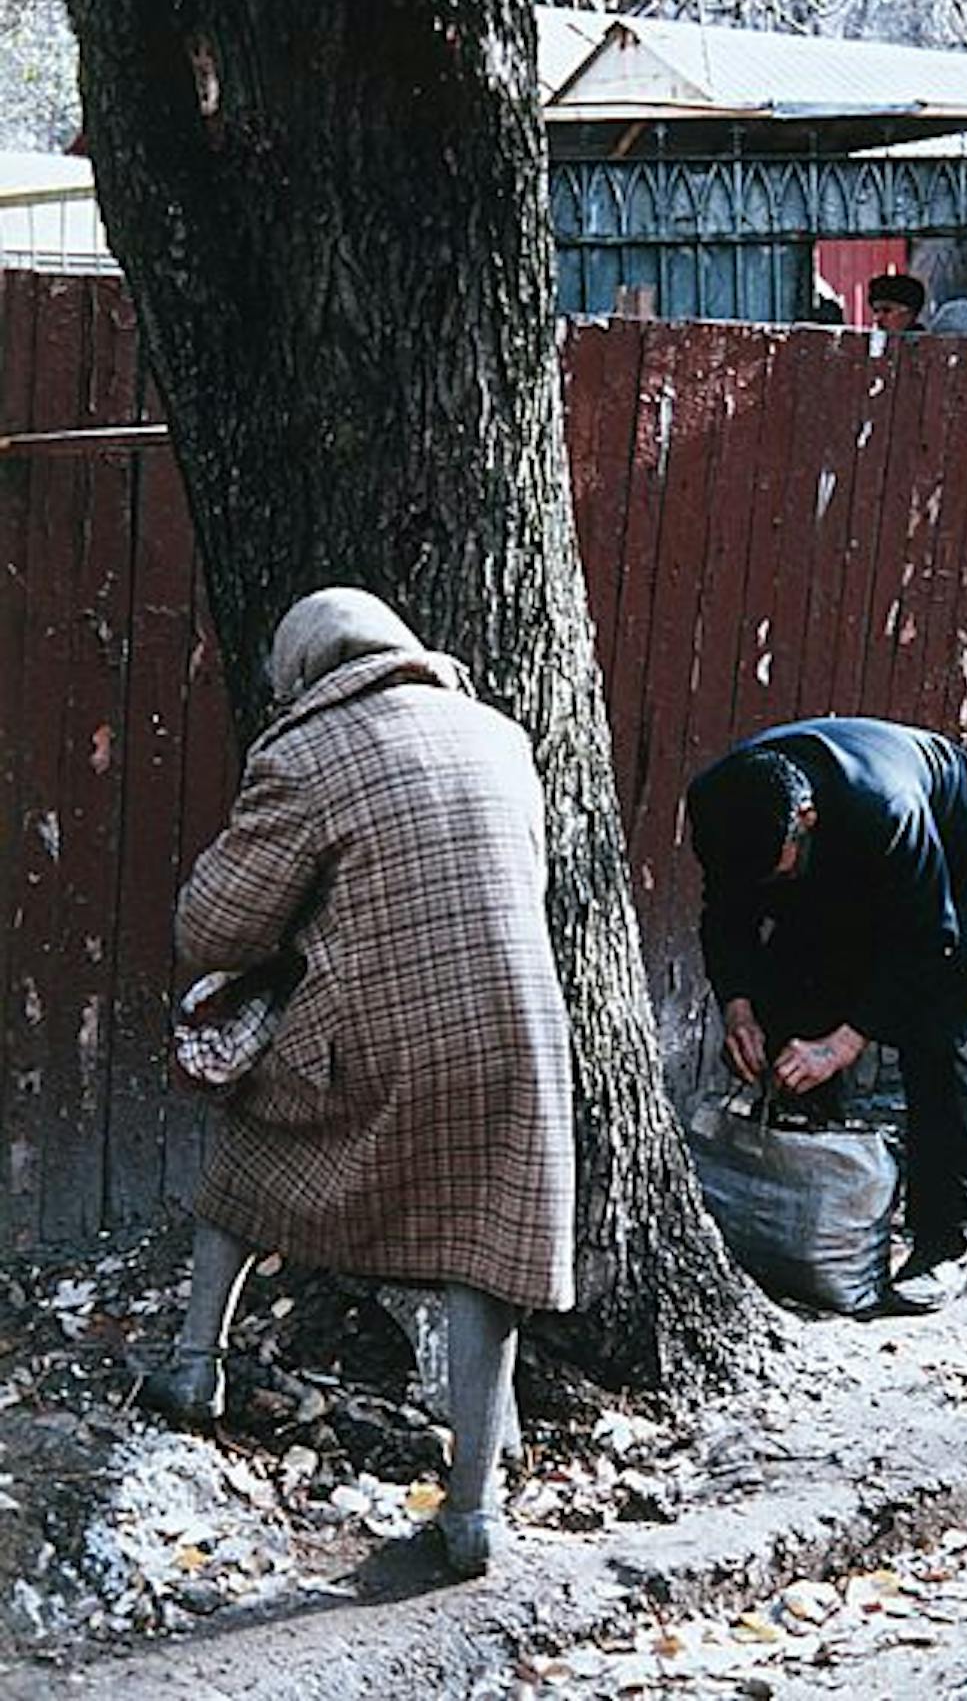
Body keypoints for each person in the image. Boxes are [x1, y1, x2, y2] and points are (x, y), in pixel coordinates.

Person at [139, 587, 576, 1577]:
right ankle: (475, 1512)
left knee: (247, 1152)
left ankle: (194, 1368)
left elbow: (212, 928)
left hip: (380, 1042)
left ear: (303, 670)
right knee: (488, 1247)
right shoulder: (500, 736)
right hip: (521, 1039)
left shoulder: (308, 755)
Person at [686, 718, 967, 1313]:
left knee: (936, 1033)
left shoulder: (887, 807)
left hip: (961, 862)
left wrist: (842, 1044)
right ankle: (804, 1221)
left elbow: (928, 942)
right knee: (792, 1001)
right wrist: (739, 1008)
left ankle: (943, 1242)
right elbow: (727, 911)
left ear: (805, 819)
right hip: (848, 862)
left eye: (776, 870)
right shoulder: (721, 803)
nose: (767, 884)